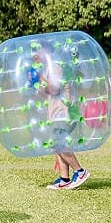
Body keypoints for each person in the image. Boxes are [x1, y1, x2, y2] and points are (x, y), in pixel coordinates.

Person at [35, 49, 90, 190]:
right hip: (56, 112)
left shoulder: (55, 66)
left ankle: (80, 171)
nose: (35, 57)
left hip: (64, 112)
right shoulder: (49, 68)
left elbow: (54, 89)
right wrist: (41, 86)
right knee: (56, 144)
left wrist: (41, 78)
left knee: (58, 142)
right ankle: (64, 178)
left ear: (45, 53)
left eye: (37, 52)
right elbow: (48, 92)